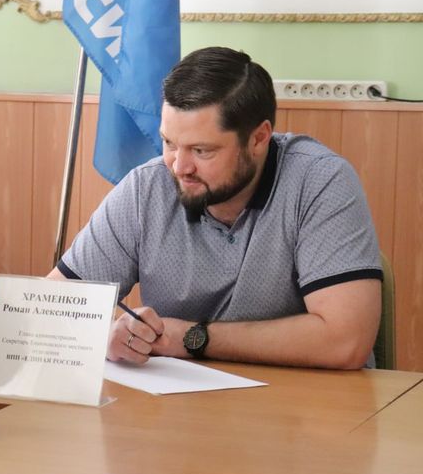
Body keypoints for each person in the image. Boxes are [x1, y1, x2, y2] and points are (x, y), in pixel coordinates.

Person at [49, 46, 382, 370]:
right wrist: (103, 331)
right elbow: (53, 307)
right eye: (169, 143)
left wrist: (193, 338)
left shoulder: (320, 181)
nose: (179, 167)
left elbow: (345, 342)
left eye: (201, 150)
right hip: (179, 412)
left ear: (258, 138)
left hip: (312, 412)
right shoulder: (146, 187)